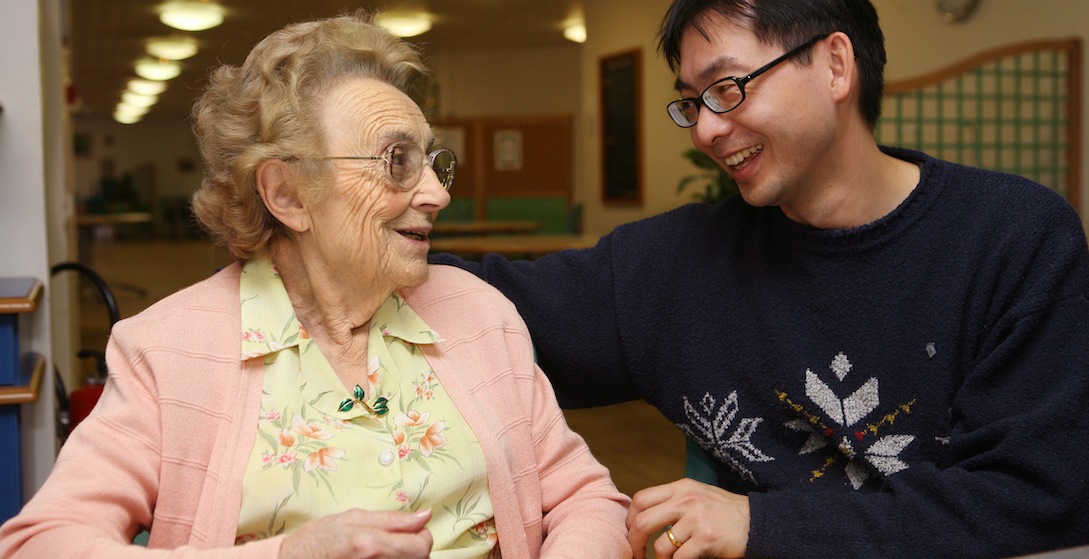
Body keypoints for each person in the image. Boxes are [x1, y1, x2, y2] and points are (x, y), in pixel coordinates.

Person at [430, 1, 1089, 558]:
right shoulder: (675, 263)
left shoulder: (1013, 237)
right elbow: (493, 307)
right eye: (691, 103)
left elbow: (1031, 496)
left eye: (727, 88)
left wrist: (761, 523)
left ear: (834, 65)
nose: (708, 130)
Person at [0, 13, 631, 559]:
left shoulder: (481, 314)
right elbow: (43, 542)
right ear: (287, 194)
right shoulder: (166, 353)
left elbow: (586, 497)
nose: (438, 194)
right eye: (396, 162)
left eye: (433, 162)